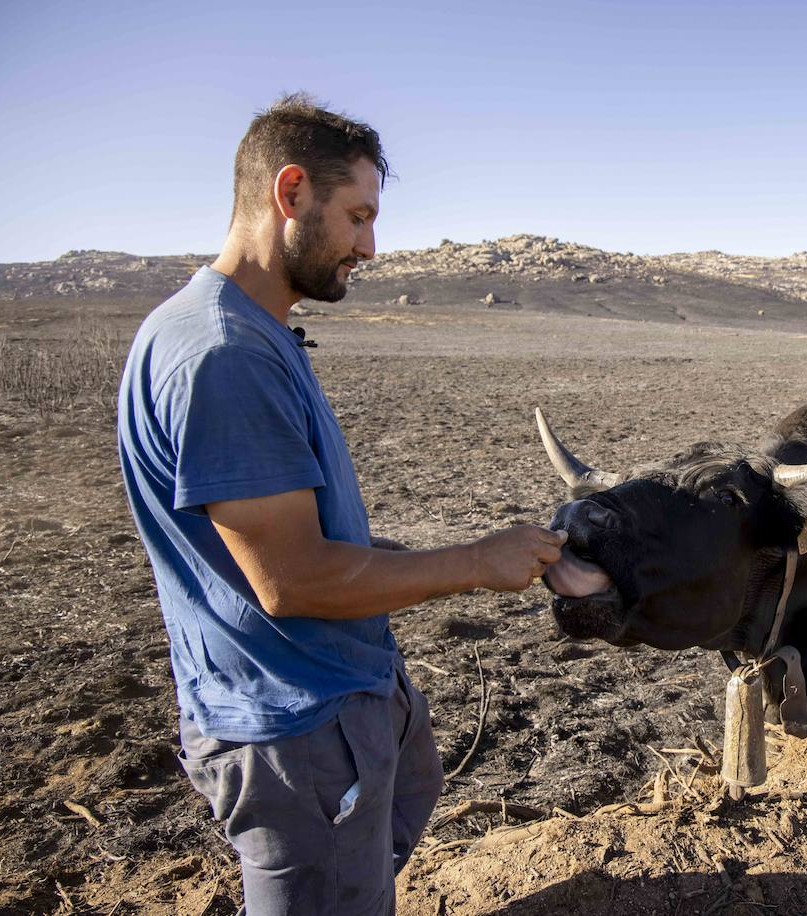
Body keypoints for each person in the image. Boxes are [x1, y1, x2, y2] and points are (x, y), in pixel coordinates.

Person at [117, 93, 567, 915]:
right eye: (357, 216)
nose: (371, 244)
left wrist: (402, 559)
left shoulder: (248, 332)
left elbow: (279, 542)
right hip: (296, 727)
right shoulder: (225, 357)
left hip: (323, 700)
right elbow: (291, 582)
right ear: (290, 194)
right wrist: (473, 565)